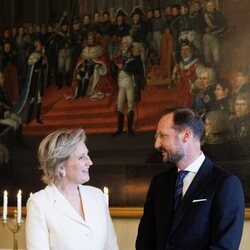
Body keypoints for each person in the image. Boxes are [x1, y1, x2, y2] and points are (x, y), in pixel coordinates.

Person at [136, 107, 244, 250]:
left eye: (163, 136)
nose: (157, 144)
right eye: (157, 137)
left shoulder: (226, 184)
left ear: (186, 135)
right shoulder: (159, 183)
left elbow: (224, 246)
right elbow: (145, 240)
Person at [25, 128, 119, 250]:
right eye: (81, 157)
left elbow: (111, 246)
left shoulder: (97, 195)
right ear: (61, 167)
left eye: (87, 155)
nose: (90, 162)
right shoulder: (39, 203)